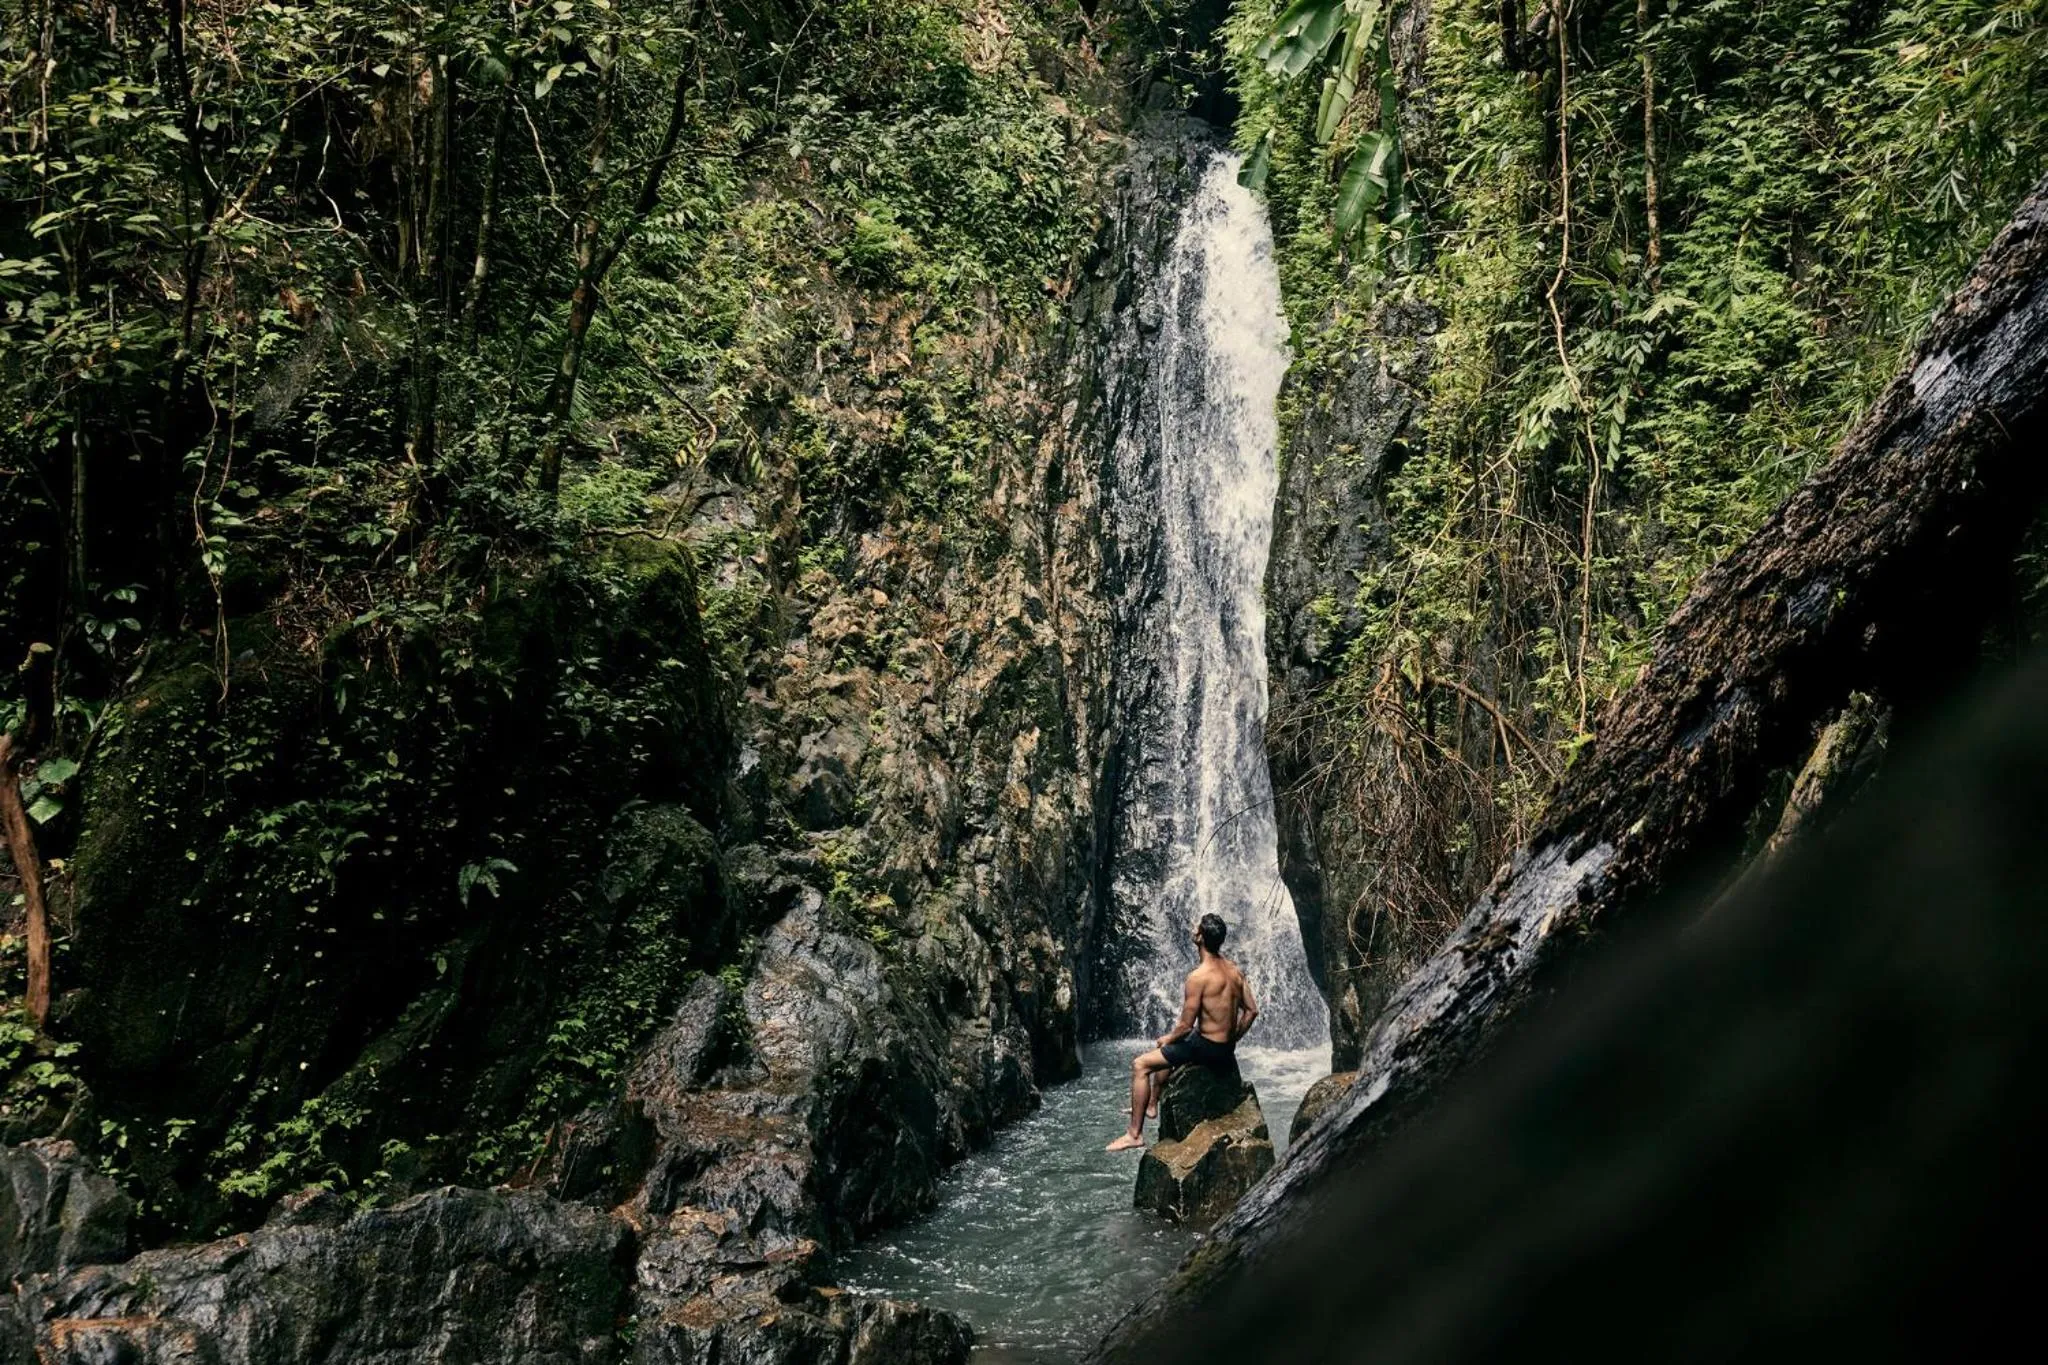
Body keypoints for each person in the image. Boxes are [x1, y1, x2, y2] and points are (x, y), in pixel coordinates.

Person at [1107, 912, 1259, 1152]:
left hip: (1204, 1047)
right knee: (1172, 1049)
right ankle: (1151, 1104)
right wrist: (1232, 1038)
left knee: (1141, 1065)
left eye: (1195, 927)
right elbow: (1252, 1011)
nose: (1192, 928)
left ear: (1200, 937)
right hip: (1223, 1049)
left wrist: (1168, 1037)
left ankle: (1134, 1134)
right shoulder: (1234, 971)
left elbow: (1185, 1026)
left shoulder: (1197, 978)